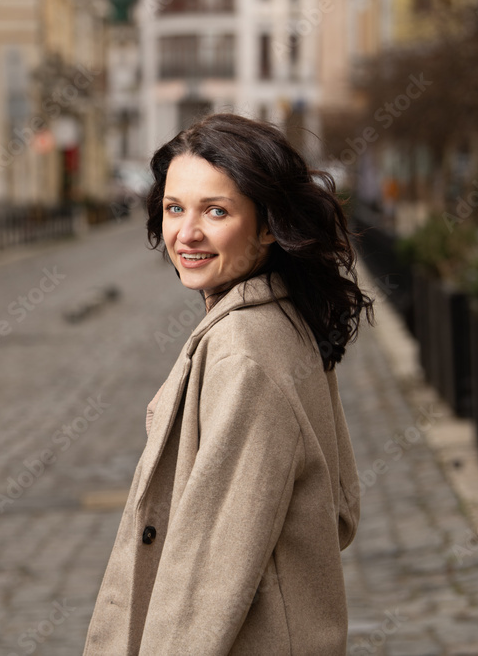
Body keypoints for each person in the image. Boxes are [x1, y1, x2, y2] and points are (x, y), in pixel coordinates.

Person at [83, 113, 374, 655]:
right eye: (174, 208)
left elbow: (208, 563)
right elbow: (338, 509)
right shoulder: (283, 317)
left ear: (268, 225)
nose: (186, 234)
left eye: (216, 211)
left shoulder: (245, 351)